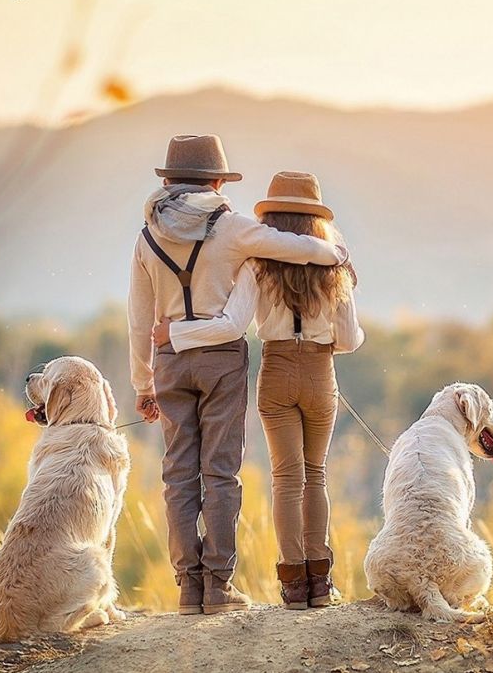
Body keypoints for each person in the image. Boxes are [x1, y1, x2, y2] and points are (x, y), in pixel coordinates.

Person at [128, 136, 347, 615]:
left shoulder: (146, 236)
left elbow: (139, 318)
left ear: (168, 181)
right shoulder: (234, 229)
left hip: (168, 362)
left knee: (178, 475)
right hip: (223, 359)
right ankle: (219, 587)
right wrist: (337, 253)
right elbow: (302, 249)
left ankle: (188, 588)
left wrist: (144, 384)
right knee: (221, 473)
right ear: (218, 181)